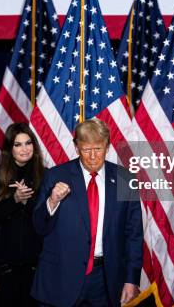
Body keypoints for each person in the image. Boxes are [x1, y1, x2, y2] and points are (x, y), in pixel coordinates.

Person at [31, 118, 143, 307]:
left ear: (107, 147)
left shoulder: (125, 179)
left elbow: (133, 234)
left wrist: (131, 279)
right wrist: (52, 201)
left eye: (98, 149)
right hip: (61, 276)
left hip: (105, 280)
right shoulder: (56, 175)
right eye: (86, 150)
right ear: (76, 148)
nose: (92, 156)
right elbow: (38, 226)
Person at [0, 123, 45, 306]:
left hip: (36, 261)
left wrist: (28, 202)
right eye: (18, 144)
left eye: (28, 143)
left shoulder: (45, 175)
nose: (24, 149)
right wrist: (15, 200)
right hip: (6, 262)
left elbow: (47, 219)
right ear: (9, 149)